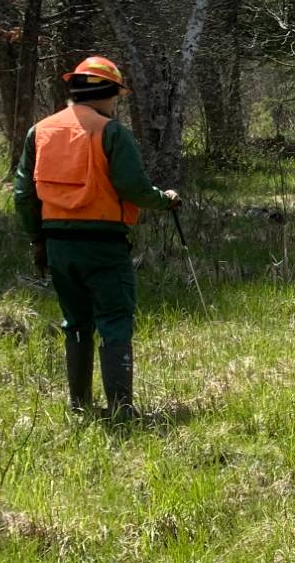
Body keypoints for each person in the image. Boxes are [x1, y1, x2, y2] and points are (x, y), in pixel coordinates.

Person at [12, 56, 180, 419]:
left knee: (75, 322)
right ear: (107, 94)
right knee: (115, 320)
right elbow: (134, 188)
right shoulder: (112, 133)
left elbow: (23, 195)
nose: (116, 104)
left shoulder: (39, 131)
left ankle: (79, 404)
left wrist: (37, 239)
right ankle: (121, 409)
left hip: (57, 246)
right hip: (104, 247)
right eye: (117, 97)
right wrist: (163, 200)